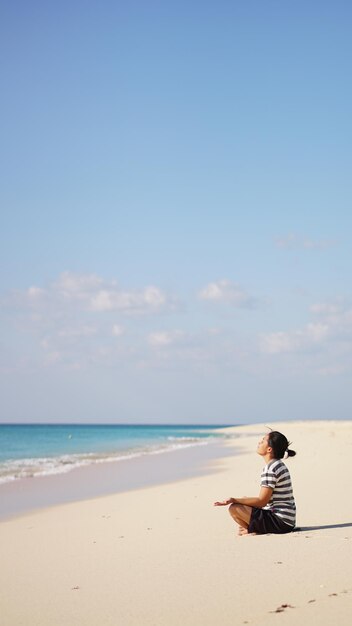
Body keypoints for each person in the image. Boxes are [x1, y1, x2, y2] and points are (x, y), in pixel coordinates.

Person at [214, 430, 296, 535]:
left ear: (269, 449)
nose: (259, 443)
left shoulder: (270, 469)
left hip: (280, 522)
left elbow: (262, 501)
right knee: (244, 500)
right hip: (288, 521)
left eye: (262, 441)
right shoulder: (279, 465)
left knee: (234, 508)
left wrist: (233, 499)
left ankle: (254, 529)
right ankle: (254, 528)